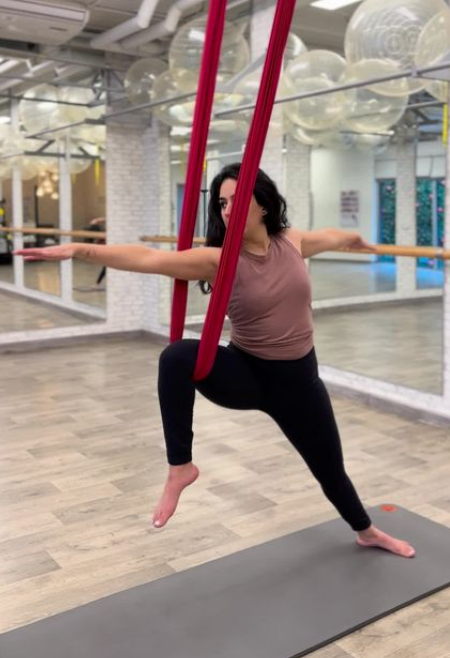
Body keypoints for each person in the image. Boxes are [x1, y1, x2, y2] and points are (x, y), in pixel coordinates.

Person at [14, 164, 415, 558]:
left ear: (262, 203)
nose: (226, 209)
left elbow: (330, 236)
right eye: (221, 203)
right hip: (247, 374)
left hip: (300, 383)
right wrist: (81, 249)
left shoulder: (291, 241)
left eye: (236, 199)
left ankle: (367, 532)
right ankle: (180, 467)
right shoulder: (218, 259)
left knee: (330, 469)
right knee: (176, 357)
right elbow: (147, 258)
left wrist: (355, 237)